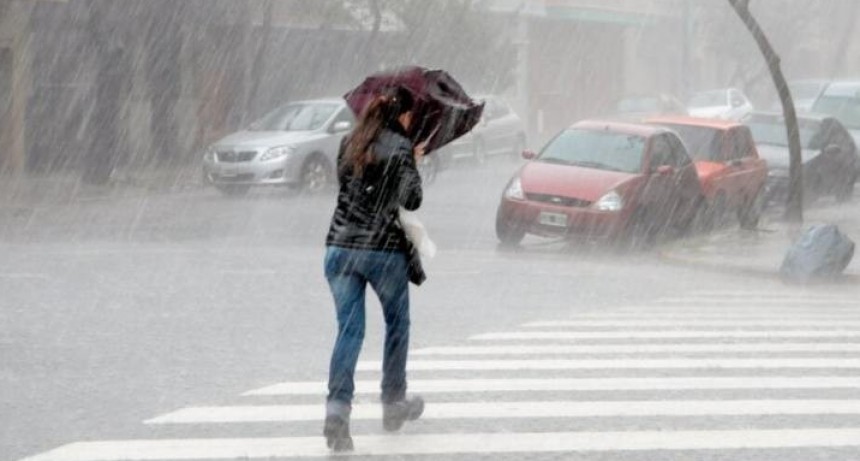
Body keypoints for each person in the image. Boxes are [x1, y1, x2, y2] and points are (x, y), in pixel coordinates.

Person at [323, 86, 426, 451]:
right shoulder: (400, 147)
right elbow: (411, 198)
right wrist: (412, 160)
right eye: (411, 116)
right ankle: (393, 402)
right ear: (403, 116)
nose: (412, 122)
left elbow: (350, 188)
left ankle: (337, 411)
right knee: (397, 324)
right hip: (382, 251)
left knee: (349, 333)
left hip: (339, 248)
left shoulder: (349, 142)